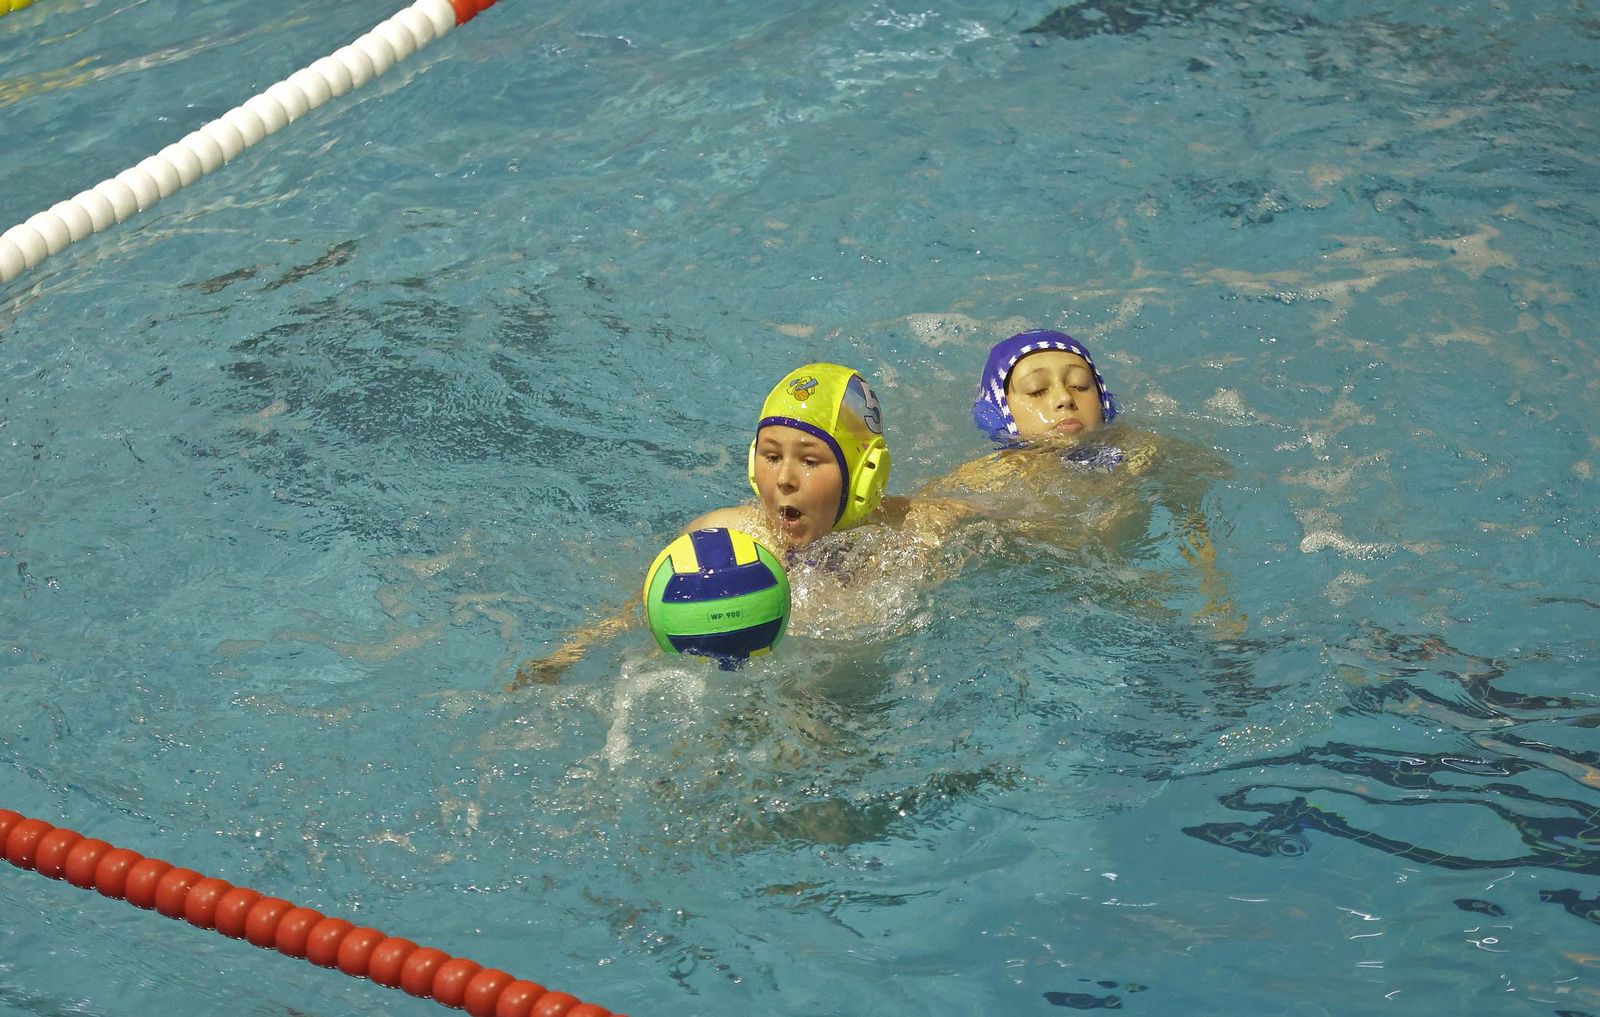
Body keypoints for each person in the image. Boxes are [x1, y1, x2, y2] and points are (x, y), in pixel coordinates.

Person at [507, 363, 971, 689]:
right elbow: (638, 611)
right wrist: (570, 656)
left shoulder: (916, 529)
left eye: (810, 460)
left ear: (865, 474)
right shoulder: (722, 538)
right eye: (771, 456)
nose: (785, 478)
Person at [933, 329, 1245, 633]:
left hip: (1140, 598)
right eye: (1037, 390)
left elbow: (1200, 492)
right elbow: (922, 522)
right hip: (1037, 613)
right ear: (999, 411)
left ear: (1104, 399)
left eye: (1081, 386)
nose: (1064, 398)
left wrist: (1212, 587)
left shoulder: (1144, 453)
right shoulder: (988, 477)